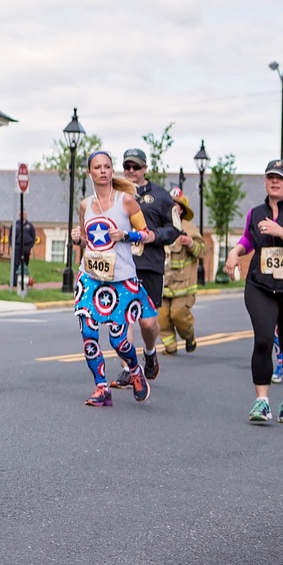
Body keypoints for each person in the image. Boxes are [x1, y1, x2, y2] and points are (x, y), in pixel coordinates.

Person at [71, 151, 157, 406]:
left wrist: (126, 236)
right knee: (88, 332)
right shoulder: (85, 205)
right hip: (91, 277)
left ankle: (135, 371)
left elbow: (148, 234)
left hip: (120, 279)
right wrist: (78, 237)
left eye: (107, 166)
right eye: (97, 167)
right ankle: (101, 388)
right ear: (90, 172)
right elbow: (87, 240)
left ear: (111, 171)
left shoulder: (127, 201)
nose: (103, 171)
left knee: (119, 340)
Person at [109, 148, 179, 389]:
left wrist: (153, 236)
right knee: (122, 319)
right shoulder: (114, 194)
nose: (131, 171)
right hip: (119, 265)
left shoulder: (160, 196)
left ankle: (150, 352)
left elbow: (175, 229)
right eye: (127, 166)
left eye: (136, 167)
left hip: (148, 265)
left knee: (147, 323)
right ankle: (129, 369)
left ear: (145, 169)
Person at [224, 159, 283, 423]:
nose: (275, 181)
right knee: (263, 339)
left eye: (281, 178)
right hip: (260, 284)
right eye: (271, 177)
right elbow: (249, 239)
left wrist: (280, 231)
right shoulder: (256, 212)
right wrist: (235, 252)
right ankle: (262, 402)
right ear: (265, 181)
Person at [158, 188, 205, 354]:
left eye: (175, 205)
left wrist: (191, 243)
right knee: (161, 317)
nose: (172, 207)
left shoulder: (189, 228)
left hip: (183, 284)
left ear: (182, 209)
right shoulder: (159, 226)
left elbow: (202, 251)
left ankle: (189, 336)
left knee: (178, 314)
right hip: (163, 282)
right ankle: (170, 347)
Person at [13, 211, 36, 287]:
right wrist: (13, 245)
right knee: (16, 264)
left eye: (24, 214)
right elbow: (11, 236)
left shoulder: (30, 226)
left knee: (25, 264)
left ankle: (23, 281)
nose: (23, 216)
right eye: (21, 214)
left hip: (26, 247)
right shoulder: (15, 225)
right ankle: (15, 281)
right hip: (17, 247)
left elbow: (33, 237)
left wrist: (29, 247)